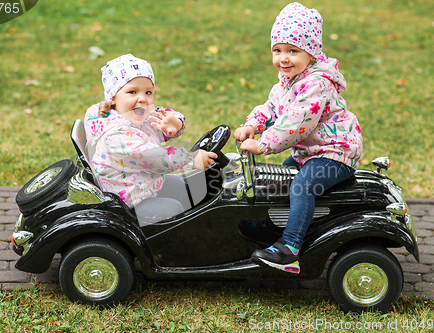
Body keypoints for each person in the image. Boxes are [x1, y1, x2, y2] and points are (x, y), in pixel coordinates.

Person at [234, 3, 363, 273]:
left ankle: (290, 247)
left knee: (302, 186)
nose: (284, 58)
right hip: (310, 153)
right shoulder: (286, 81)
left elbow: (298, 122)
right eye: (278, 50)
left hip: (334, 152)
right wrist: (252, 125)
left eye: (293, 51)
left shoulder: (316, 84)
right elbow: (270, 109)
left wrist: (263, 144)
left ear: (311, 53)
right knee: (279, 181)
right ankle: (275, 227)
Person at [84, 54, 217, 224]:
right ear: (113, 97)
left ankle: (189, 226)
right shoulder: (115, 136)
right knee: (172, 208)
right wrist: (191, 159)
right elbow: (155, 157)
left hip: (139, 184)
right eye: (132, 92)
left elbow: (164, 114)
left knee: (178, 186)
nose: (142, 98)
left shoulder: (135, 117)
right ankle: (167, 243)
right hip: (127, 203)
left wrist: (174, 123)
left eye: (148, 92)